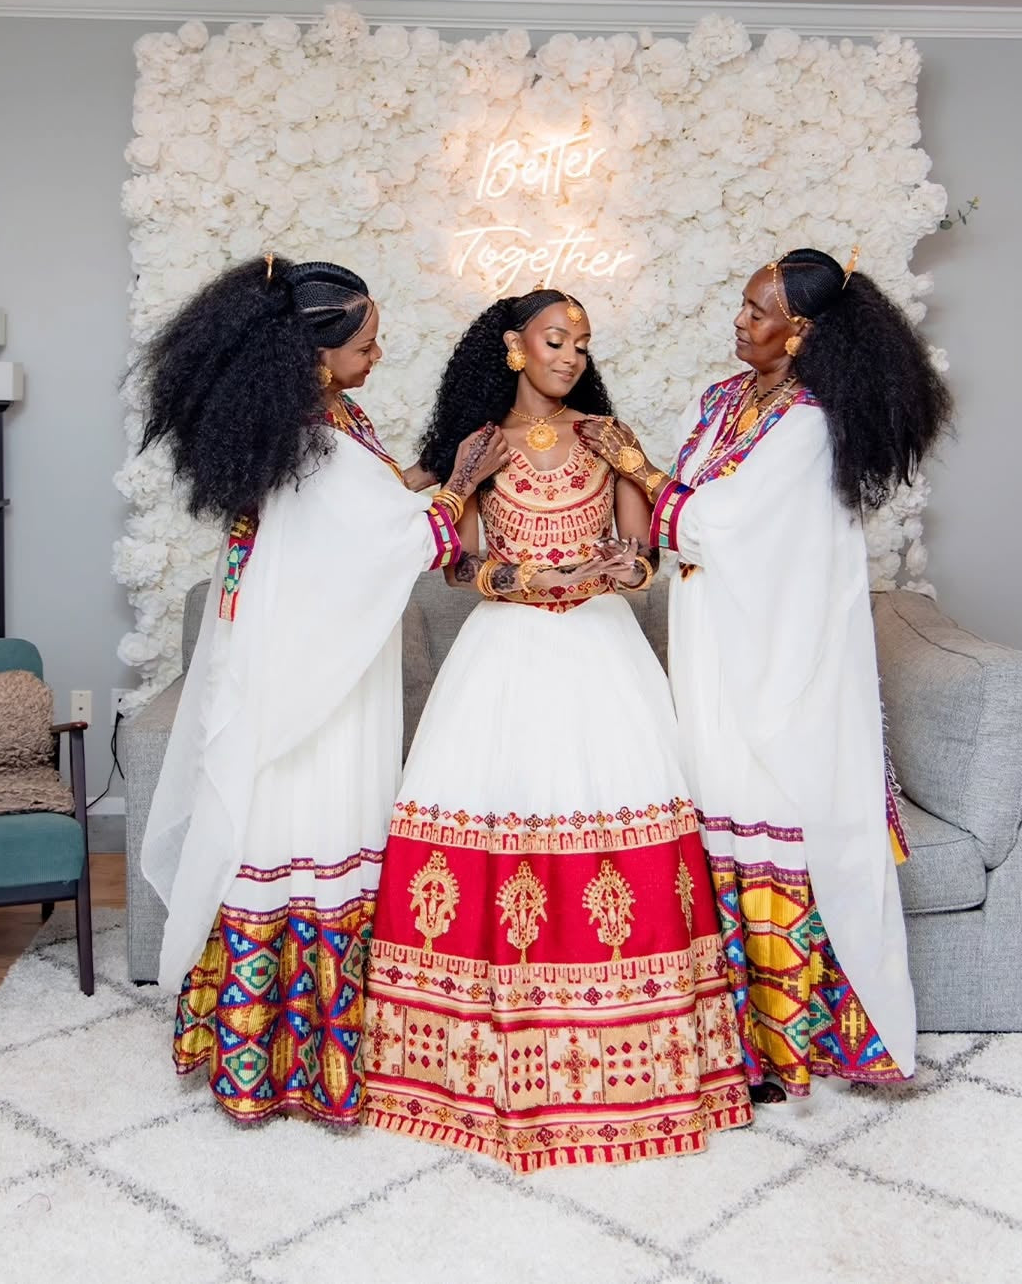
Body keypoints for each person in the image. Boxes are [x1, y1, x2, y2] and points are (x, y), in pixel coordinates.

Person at [360, 288, 752, 1172]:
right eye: (554, 340)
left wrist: (623, 566)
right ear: (512, 347)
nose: (571, 356)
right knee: (500, 819)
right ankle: (467, 1066)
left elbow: (647, 555)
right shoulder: (477, 447)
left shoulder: (607, 438)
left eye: (581, 342)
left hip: (602, 652)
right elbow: (454, 564)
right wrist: (516, 581)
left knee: (617, 813)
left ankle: (630, 1072)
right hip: (504, 651)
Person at [577, 248, 952, 1102]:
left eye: (757, 311)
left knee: (775, 804)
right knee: (713, 806)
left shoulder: (814, 421)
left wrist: (631, 462)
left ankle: (796, 1047)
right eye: (742, 306)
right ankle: (727, 1042)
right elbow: (684, 526)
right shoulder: (716, 402)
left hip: (785, 651)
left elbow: (712, 524)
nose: (740, 322)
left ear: (804, 331)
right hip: (714, 635)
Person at [139, 254, 507, 1123]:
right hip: (319, 675)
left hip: (315, 650)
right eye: (368, 343)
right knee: (310, 822)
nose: (378, 354)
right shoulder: (317, 434)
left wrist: (428, 478)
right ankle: (296, 1058)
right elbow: (396, 541)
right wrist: (459, 485)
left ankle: (260, 1040)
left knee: (288, 824)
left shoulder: (320, 417)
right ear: (317, 351)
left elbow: (371, 508)